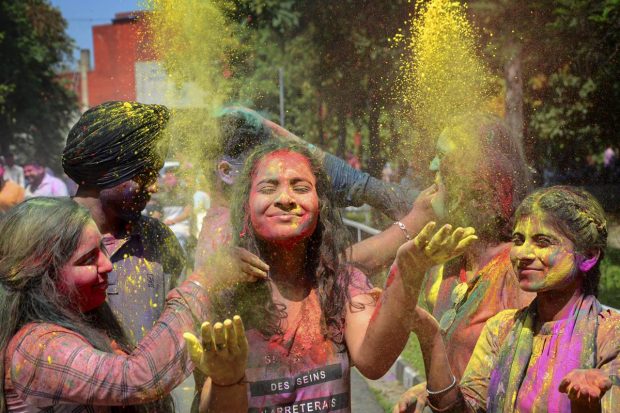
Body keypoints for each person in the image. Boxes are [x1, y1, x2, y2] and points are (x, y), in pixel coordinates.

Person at [187, 141, 476, 413]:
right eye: (268, 187)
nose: (285, 199)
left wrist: (408, 273)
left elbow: (374, 362)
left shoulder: (343, 282)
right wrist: (227, 380)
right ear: (246, 206)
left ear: (320, 205)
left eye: (300, 188)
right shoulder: (224, 291)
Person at [401, 186, 619, 412]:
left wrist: (587, 404)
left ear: (589, 257)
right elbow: (462, 409)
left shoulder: (611, 334)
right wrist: (431, 336)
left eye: (543, 242)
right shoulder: (501, 328)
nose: (523, 254)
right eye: (518, 240)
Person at [0, 197, 211, 412]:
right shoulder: (37, 347)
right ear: (41, 276)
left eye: (102, 249)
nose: (107, 265)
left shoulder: (81, 319)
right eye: (87, 260)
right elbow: (137, 379)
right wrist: (203, 283)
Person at [395, 114, 535, 412]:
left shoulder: (519, 269)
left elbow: (528, 386)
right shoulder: (447, 263)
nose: (433, 167)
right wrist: (427, 388)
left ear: (484, 182)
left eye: (443, 158)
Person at [195, 106, 433, 277]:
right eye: (264, 164)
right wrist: (415, 221)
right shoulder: (230, 234)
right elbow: (338, 268)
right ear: (227, 172)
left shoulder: (235, 221)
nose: (285, 195)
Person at [62, 101, 185, 343]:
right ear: (103, 171)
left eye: (156, 174)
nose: (154, 186)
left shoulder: (158, 237)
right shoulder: (51, 237)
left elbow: (183, 327)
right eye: (144, 175)